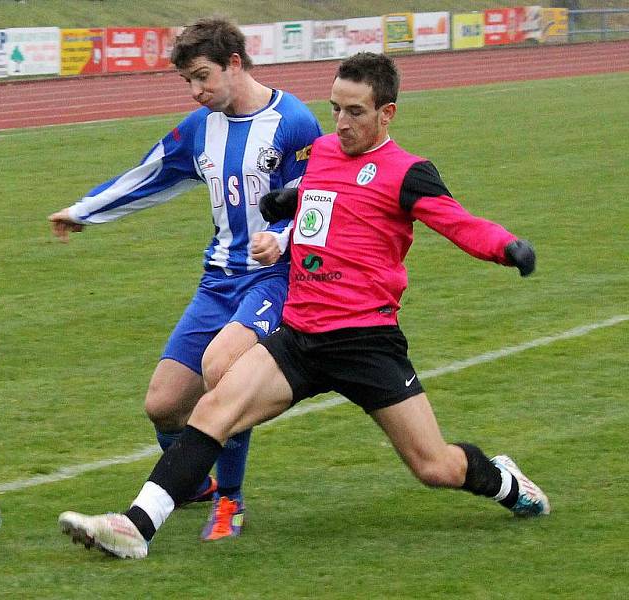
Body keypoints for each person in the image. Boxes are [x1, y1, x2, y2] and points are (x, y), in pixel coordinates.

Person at [58, 52, 549, 560]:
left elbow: (458, 221)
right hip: (299, 335)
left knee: (433, 468)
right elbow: (317, 193)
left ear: (388, 113)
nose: (341, 122)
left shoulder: (409, 173)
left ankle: (505, 483)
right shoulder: (324, 152)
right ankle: (136, 527)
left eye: (355, 111)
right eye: (335, 108)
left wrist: (506, 247)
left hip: (366, 343)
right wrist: (285, 202)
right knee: (215, 407)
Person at [48, 17, 322, 541]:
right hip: (217, 280)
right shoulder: (201, 126)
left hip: (274, 279)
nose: (196, 92)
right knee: (164, 405)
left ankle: (230, 502)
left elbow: (315, 201)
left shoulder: (294, 122)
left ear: (234, 64)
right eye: (188, 82)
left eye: (203, 78)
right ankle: (190, 480)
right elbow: (151, 173)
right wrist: (83, 211)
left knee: (224, 373)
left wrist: (282, 238)